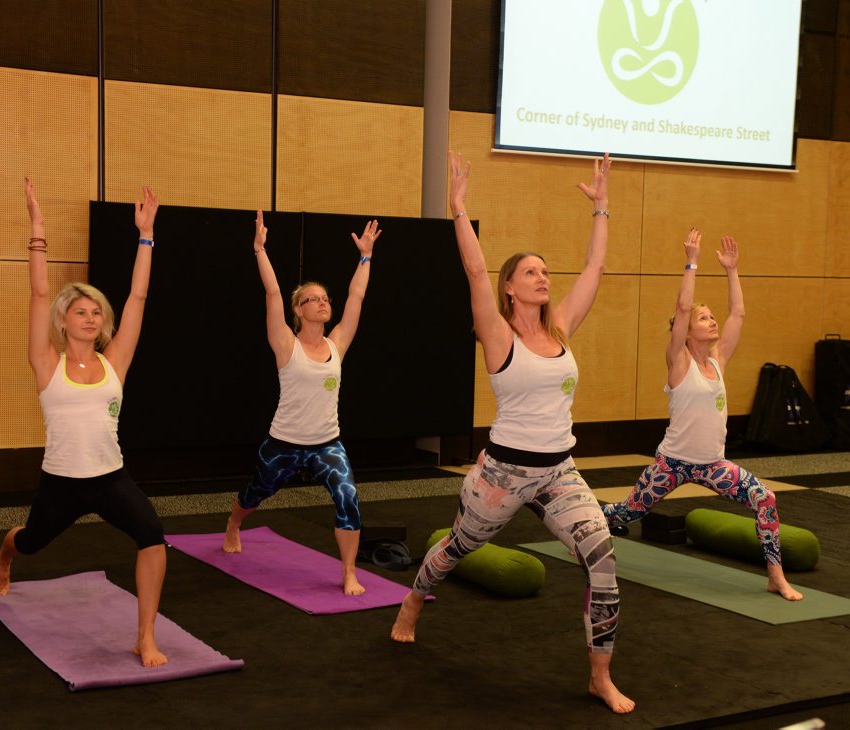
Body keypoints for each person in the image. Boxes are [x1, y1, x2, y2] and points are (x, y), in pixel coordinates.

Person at [391, 151, 635, 715]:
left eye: (546, 270)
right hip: (502, 473)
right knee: (457, 548)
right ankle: (413, 600)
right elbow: (475, 271)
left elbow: (594, 270)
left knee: (603, 561)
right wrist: (458, 210)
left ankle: (601, 676)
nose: (544, 276)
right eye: (531, 271)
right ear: (509, 288)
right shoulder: (499, 337)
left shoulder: (562, 326)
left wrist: (602, 210)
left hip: (559, 472)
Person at [0, 179, 170, 667]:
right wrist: (38, 231)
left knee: (153, 536)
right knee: (30, 542)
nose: (90, 318)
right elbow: (39, 291)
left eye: (95, 312)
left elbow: (138, 296)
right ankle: (5, 554)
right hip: (62, 483)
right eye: (79, 311)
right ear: (63, 322)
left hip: (110, 478)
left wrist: (145, 235)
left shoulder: (116, 360)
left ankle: (145, 635)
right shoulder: (46, 362)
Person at [602, 229, 803, 602]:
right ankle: (587, 528)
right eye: (705, 318)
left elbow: (739, 312)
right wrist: (691, 262)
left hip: (713, 465)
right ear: (687, 331)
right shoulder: (678, 361)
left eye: (713, 318)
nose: (712, 322)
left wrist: (732, 270)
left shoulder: (718, 360)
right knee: (626, 512)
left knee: (766, 499)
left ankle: (776, 576)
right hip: (673, 463)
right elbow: (682, 308)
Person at [222, 210, 381, 596]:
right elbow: (273, 294)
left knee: (347, 495)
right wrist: (260, 250)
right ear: (299, 310)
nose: (323, 304)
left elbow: (357, 295)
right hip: (284, 444)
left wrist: (365, 257)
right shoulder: (285, 345)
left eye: (326, 299)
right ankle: (233, 523)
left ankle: (348, 573)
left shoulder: (337, 343)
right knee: (258, 490)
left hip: (327, 443)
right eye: (314, 299)